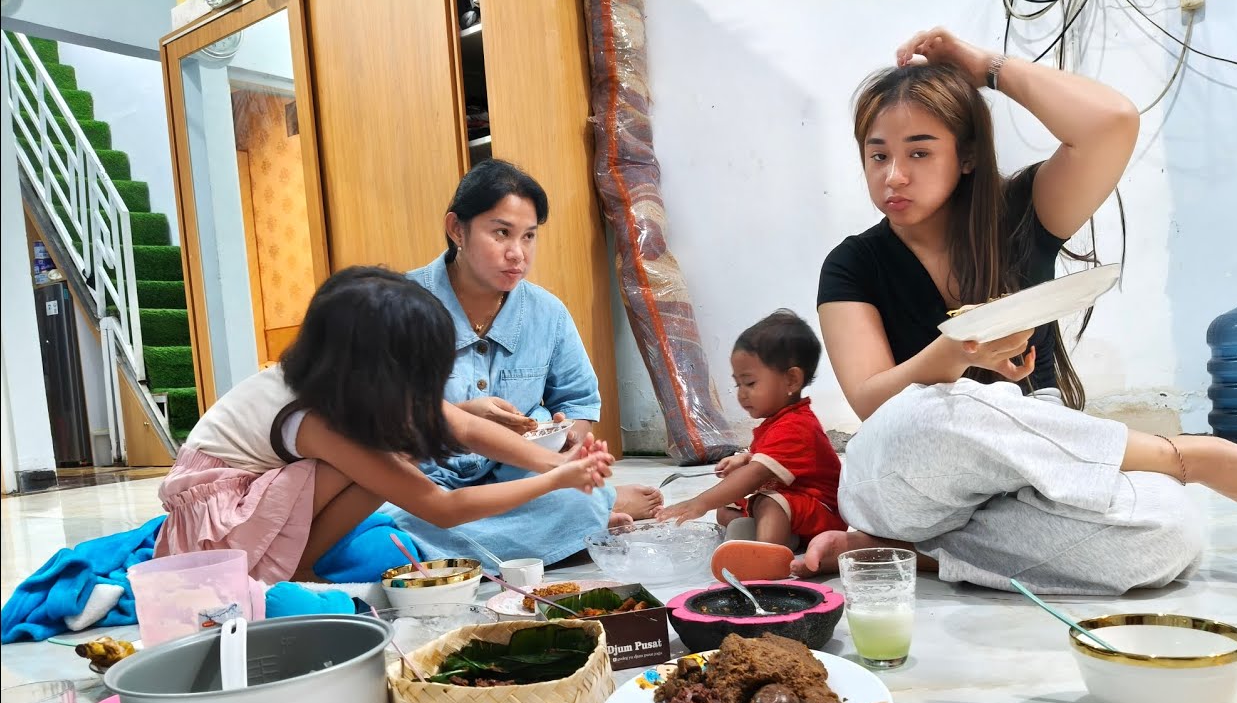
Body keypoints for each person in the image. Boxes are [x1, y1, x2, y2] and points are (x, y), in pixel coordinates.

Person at [798, 28, 1237, 595]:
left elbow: (1113, 123)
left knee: (1169, 535)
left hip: (1033, 463)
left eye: (920, 152)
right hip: (914, 471)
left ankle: (913, 557)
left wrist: (987, 68)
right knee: (942, 411)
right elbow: (874, 403)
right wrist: (953, 355)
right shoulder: (852, 264)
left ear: (968, 156)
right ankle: (1193, 457)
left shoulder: (1021, 212)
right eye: (877, 155)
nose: (893, 176)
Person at [154, 267, 614, 584]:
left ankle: (304, 555)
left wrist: (555, 459)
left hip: (258, 491)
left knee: (398, 450)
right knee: (388, 461)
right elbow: (442, 507)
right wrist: (553, 480)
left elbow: (465, 428)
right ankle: (296, 566)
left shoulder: (338, 380)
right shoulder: (318, 420)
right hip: (223, 528)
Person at [384, 159, 662, 569]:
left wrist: (568, 435)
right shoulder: (397, 307)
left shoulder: (547, 313)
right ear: (457, 229)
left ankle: (455, 552)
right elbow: (378, 430)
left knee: (580, 498)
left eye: (529, 236)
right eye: (501, 233)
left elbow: (579, 402)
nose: (518, 254)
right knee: (379, 521)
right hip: (420, 486)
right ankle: (568, 536)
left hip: (516, 478)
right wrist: (463, 418)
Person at [656, 311, 845, 549]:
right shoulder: (778, 422)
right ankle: (781, 537)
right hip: (791, 503)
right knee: (727, 508)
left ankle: (767, 556)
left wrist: (700, 502)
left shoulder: (796, 425)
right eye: (738, 384)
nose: (741, 393)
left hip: (820, 512)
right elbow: (772, 464)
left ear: (791, 381)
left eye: (750, 383)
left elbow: (755, 476)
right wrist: (747, 459)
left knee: (768, 503)